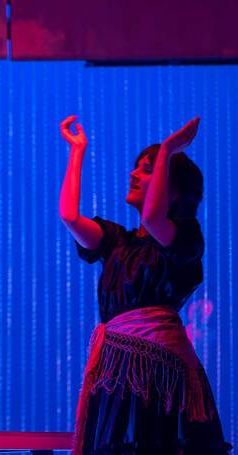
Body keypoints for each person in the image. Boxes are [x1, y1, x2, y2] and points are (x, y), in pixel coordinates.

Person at [58, 115, 230, 454]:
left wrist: (167, 150)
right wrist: (76, 151)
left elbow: (153, 218)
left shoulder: (185, 238)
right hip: (117, 369)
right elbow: (69, 216)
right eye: (137, 167)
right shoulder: (116, 240)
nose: (134, 174)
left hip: (162, 371)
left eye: (148, 169)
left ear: (174, 189)